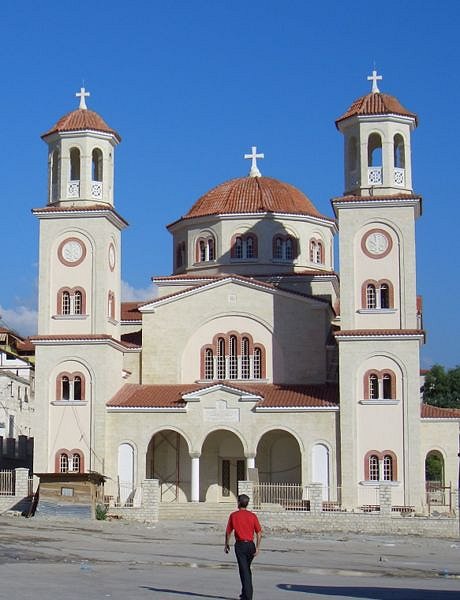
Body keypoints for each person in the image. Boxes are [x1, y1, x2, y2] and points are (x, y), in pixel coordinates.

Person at [225, 494, 262, 600]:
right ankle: (244, 593)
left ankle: (248, 596)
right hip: (251, 545)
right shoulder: (252, 516)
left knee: (244, 570)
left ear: (239, 503)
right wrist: (257, 547)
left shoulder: (234, 515)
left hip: (240, 546)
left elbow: (228, 532)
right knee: (246, 569)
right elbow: (259, 532)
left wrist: (226, 544)